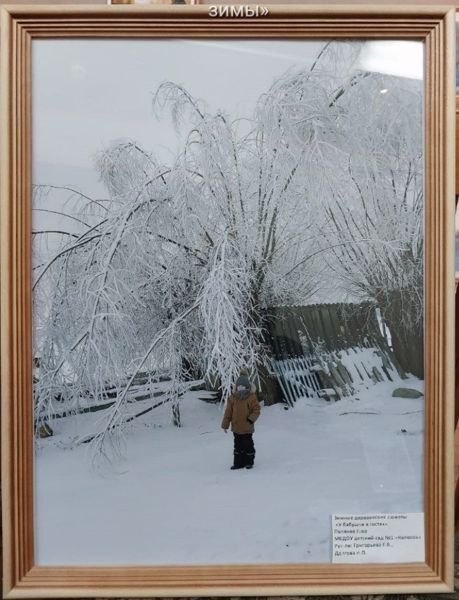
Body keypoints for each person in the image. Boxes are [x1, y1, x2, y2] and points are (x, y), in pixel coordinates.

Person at [221, 372, 261, 470]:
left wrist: (251, 419)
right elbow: (228, 412)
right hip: (236, 428)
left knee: (248, 445)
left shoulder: (251, 398)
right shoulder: (233, 398)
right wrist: (225, 424)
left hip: (247, 427)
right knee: (238, 447)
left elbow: (256, 410)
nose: (240, 388)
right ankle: (238, 463)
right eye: (239, 387)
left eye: (243, 387)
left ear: (247, 387)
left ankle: (249, 462)